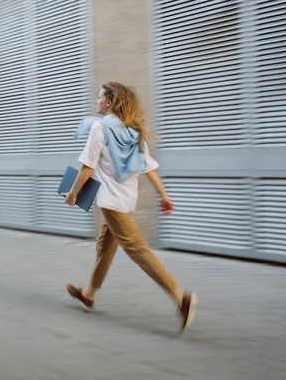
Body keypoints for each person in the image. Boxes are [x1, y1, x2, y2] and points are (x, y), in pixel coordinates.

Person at [61, 82, 197, 335]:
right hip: (125, 199)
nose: (96, 102)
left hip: (111, 202)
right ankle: (89, 294)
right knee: (104, 246)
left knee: (136, 248)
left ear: (110, 102)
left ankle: (181, 299)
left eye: (99, 97)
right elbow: (149, 168)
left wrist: (73, 193)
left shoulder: (100, 128)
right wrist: (164, 196)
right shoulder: (133, 130)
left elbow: (87, 167)